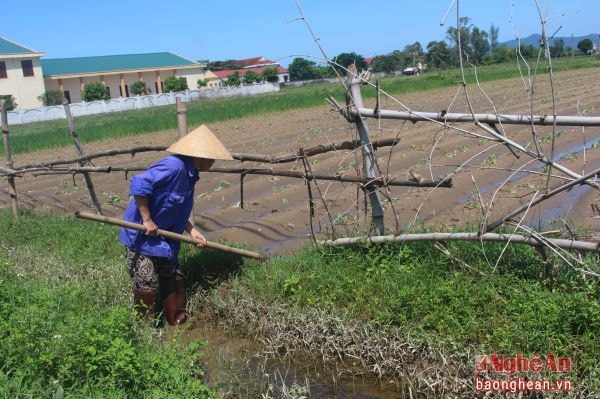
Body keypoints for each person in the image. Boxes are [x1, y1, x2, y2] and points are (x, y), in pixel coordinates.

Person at [118, 124, 233, 325]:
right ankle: (146, 330)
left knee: (173, 275)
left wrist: (191, 230)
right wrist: (146, 220)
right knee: (146, 281)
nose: (214, 162)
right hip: (143, 236)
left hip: (166, 236)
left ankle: (177, 321)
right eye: (212, 157)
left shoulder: (191, 175)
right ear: (200, 156)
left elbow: (175, 208)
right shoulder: (174, 167)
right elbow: (139, 184)